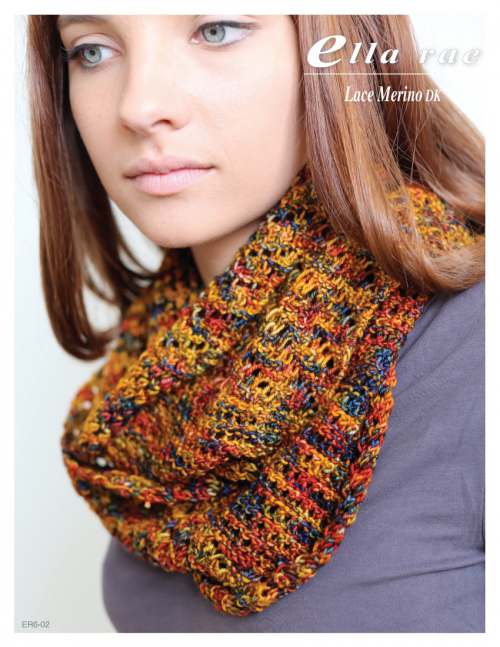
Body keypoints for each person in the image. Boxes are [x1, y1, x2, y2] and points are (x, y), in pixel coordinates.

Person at [26, 15, 484, 632]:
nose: (138, 107)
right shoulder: (154, 381)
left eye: (217, 30)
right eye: (93, 50)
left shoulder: (478, 350)